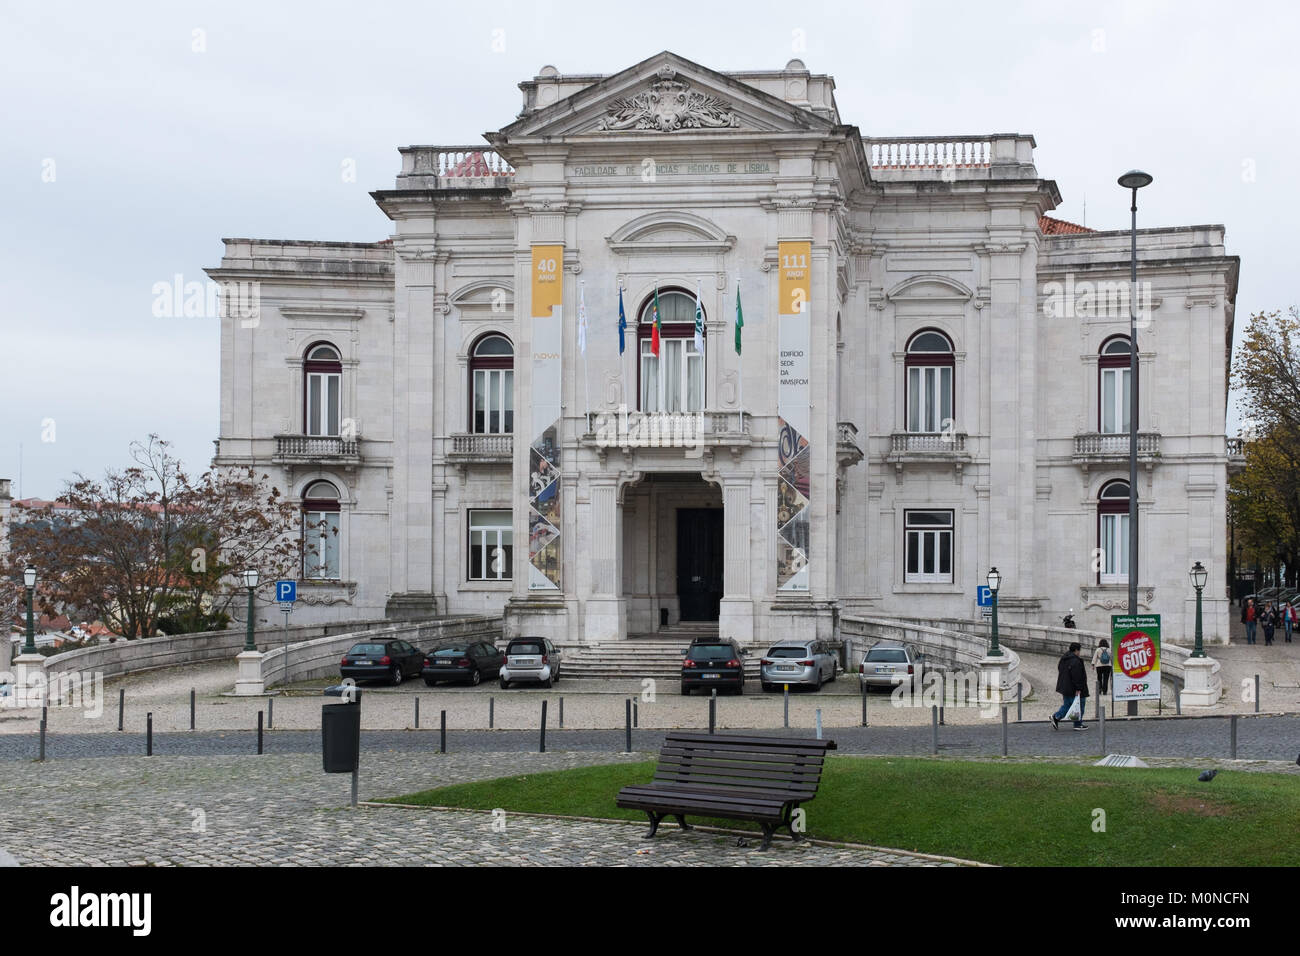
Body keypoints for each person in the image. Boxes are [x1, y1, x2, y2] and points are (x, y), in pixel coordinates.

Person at [1051, 642, 1090, 731]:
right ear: (1076, 650)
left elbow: (1060, 669)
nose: (1080, 652)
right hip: (1074, 688)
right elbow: (1077, 676)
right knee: (1079, 706)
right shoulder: (1075, 661)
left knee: (1067, 705)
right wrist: (1079, 688)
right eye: (1079, 650)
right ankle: (1077, 724)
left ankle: (1056, 717)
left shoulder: (1064, 658)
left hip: (1065, 687)